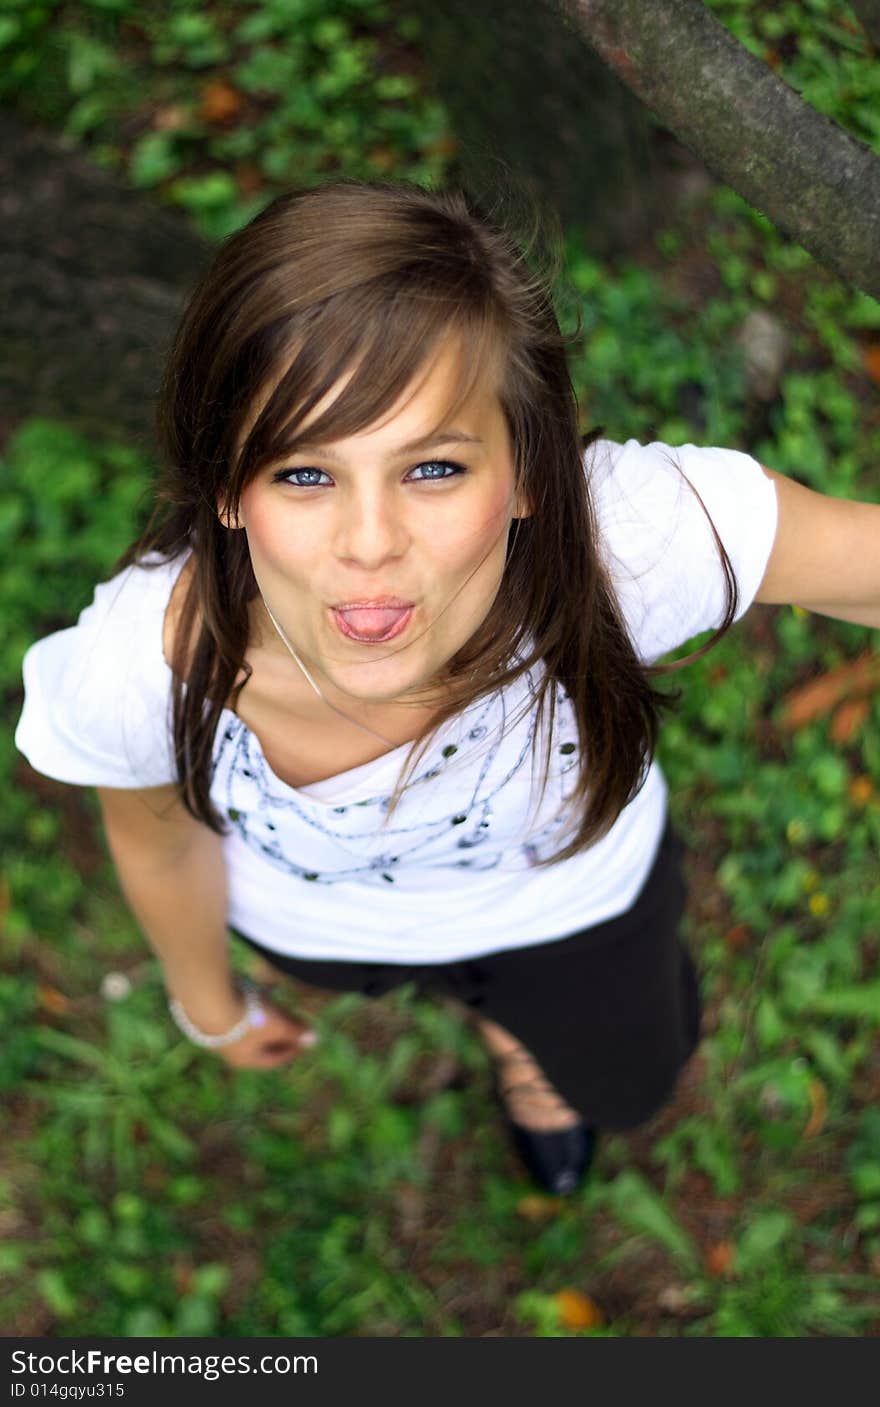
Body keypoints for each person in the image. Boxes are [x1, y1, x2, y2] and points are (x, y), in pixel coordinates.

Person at [14, 180, 879, 1198]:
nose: (369, 545)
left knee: (627, 1082)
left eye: (432, 469)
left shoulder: (628, 546)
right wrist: (209, 1003)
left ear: (524, 473)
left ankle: (530, 1057)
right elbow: (159, 841)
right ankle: (492, 1018)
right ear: (224, 489)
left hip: (575, 910)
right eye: (302, 473)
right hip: (326, 932)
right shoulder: (141, 671)